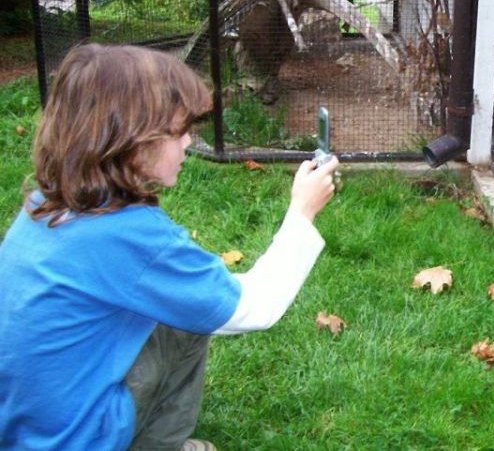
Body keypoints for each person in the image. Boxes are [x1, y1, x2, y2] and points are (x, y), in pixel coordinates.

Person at [0, 43, 339, 450]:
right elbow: (255, 308)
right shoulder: (127, 235)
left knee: (183, 303)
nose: (188, 143)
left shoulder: (44, 203)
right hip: (76, 439)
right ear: (131, 140)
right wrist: (301, 212)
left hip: (23, 429)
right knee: (188, 319)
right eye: (180, 131)